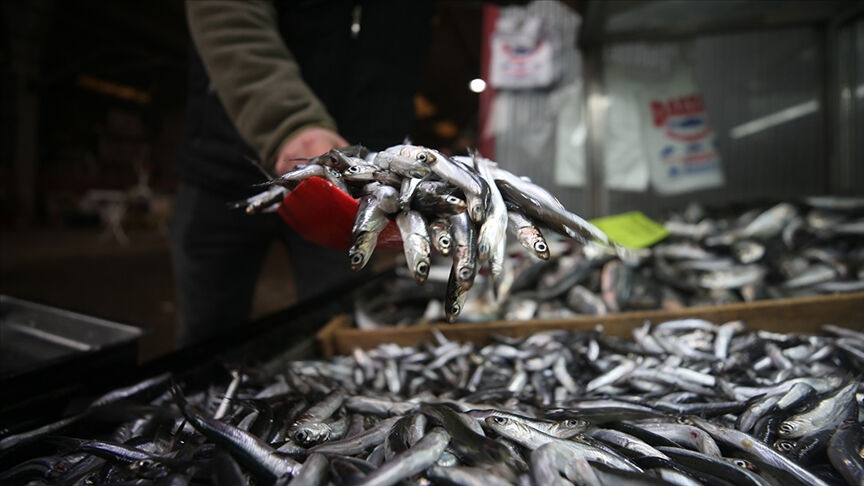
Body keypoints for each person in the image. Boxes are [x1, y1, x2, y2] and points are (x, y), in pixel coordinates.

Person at [172, 0, 433, 347]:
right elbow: (226, 12)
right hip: (226, 163)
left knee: (334, 333)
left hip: (356, 195)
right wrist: (289, 122)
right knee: (207, 339)